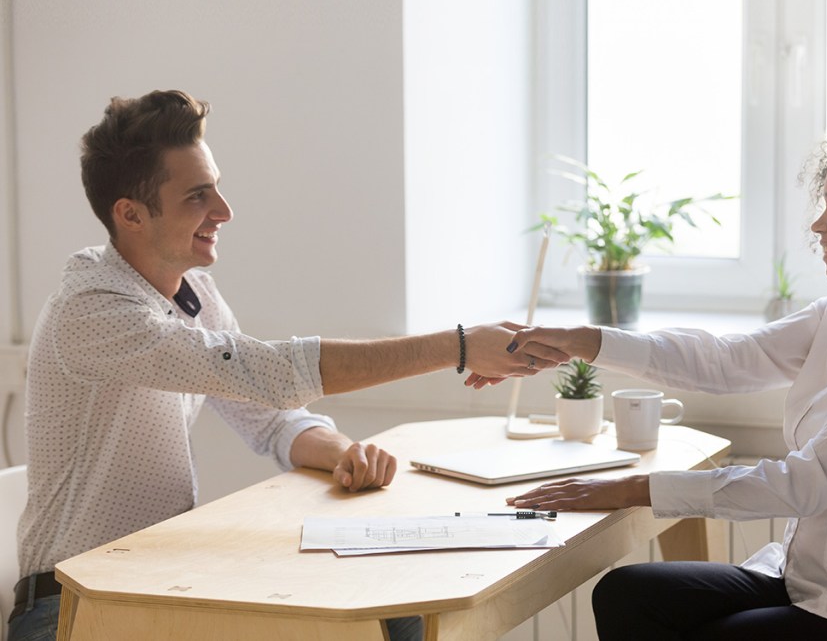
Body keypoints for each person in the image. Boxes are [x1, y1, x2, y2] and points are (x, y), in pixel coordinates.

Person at [9, 89, 566, 641]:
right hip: (68, 609)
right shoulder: (93, 311)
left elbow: (269, 415)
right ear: (130, 214)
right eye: (197, 197)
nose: (224, 212)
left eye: (217, 189)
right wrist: (458, 346)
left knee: (390, 611)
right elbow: (268, 373)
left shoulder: (193, 293)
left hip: (156, 582)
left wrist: (341, 452)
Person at [498, 117, 827, 640]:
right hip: (800, 579)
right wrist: (586, 342)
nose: (819, 225)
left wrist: (634, 489)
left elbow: (808, 483)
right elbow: (726, 360)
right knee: (626, 597)